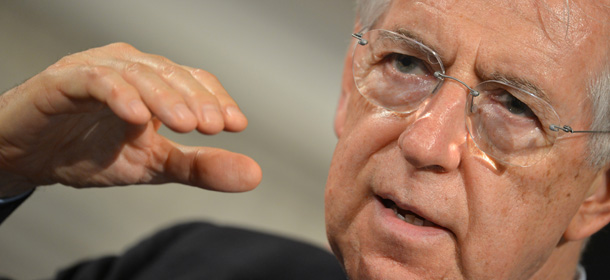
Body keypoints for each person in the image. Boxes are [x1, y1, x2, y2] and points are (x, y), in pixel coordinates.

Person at [1, 0, 609, 279]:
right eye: (408, 65)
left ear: (597, 194)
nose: (426, 143)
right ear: (349, 86)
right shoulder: (188, 266)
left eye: (513, 105)